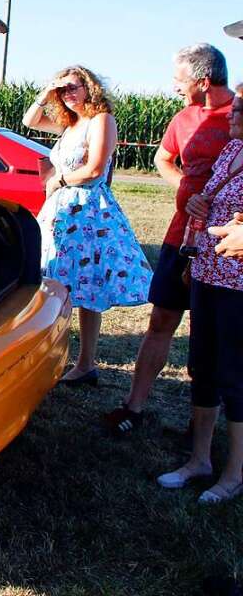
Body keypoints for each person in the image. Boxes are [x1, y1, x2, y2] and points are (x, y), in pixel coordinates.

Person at [105, 44, 234, 434]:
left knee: (210, 336)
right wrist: (185, 188)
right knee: (161, 319)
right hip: (180, 236)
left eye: (179, 80)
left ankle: (203, 427)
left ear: (203, 81)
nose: (174, 86)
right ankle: (134, 407)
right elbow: (163, 157)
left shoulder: (238, 117)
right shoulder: (183, 118)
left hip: (224, 246)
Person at [22, 65, 151, 385]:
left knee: (88, 286)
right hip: (61, 212)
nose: (68, 95)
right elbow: (30, 120)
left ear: (89, 88)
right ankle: (57, 357)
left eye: (74, 88)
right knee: (53, 282)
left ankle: (86, 363)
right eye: (63, 91)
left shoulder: (101, 120)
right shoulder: (70, 124)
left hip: (89, 211)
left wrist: (60, 179)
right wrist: (49, 88)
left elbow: (94, 169)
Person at [156, 87, 243, 503]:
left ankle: (234, 473)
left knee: (236, 377)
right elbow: (209, 197)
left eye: (241, 109)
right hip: (208, 272)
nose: (232, 113)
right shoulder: (231, 151)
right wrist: (196, 202)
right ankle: (200, 460)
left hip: (239, 285)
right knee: (202, 366)